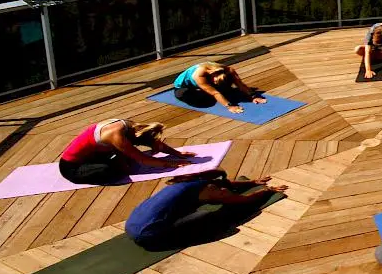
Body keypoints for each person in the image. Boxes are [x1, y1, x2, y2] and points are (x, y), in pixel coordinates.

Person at [124, 169, 287, 250]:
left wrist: (252, 182)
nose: (223, 190)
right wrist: (268, 191)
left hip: (131, 225)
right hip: (149, 237)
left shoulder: (188, 183)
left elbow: (229, 185)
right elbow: (241, 200)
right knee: (207, 216)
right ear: (214, 185)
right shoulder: (209, 189)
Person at [57, 120, 194, 185]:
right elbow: (144, 160)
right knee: (112, 171)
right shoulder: (116, 135)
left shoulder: (131, 126)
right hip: (72, 168)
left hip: (94, 155)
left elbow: (153, 142)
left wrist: (177, 153)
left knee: (128, 161)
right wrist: (172, 164)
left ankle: (114, 161)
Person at [172, 62, 266, 114]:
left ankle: (210, 90)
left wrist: (253, 96)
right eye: (215, 81)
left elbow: (240, 84)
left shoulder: (229, 70)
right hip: (184, 88)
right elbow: (215, 92)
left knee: (227, 92)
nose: (214, 83)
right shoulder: (199, 75)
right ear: (212, 75)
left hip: (204, 85)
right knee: (206, 102)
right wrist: (230, 106)